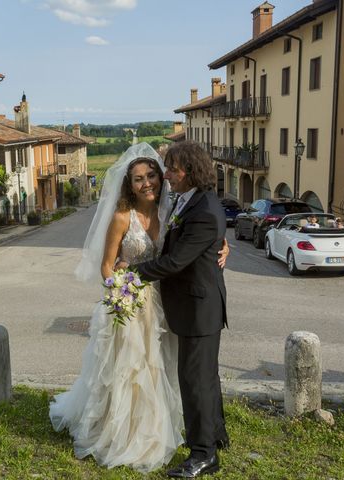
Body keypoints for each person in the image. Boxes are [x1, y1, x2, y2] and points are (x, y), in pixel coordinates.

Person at [49, 143, 229, 473]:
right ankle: (125, 432)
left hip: (166, 301)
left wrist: (220, 241)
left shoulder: (173, 206)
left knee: (172, 372)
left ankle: (195, 441)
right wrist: (120, 289)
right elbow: (107, 265)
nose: (148, 182)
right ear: (128, 184)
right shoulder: (125, 216)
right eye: (138, 178)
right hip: (132, 303)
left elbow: (187, 245)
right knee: (131, 372)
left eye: (155, 174)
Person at [120, 141, 229, 478]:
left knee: (194, 381)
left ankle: (202, 455)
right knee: (206, 377)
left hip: (198, 308)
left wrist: (131, 274)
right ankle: (216, 436)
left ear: (191, 172)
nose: (166, 176)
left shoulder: (204, 210)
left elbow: (177, 261)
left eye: (172, 170)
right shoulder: (193, 201)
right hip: (197, 304)